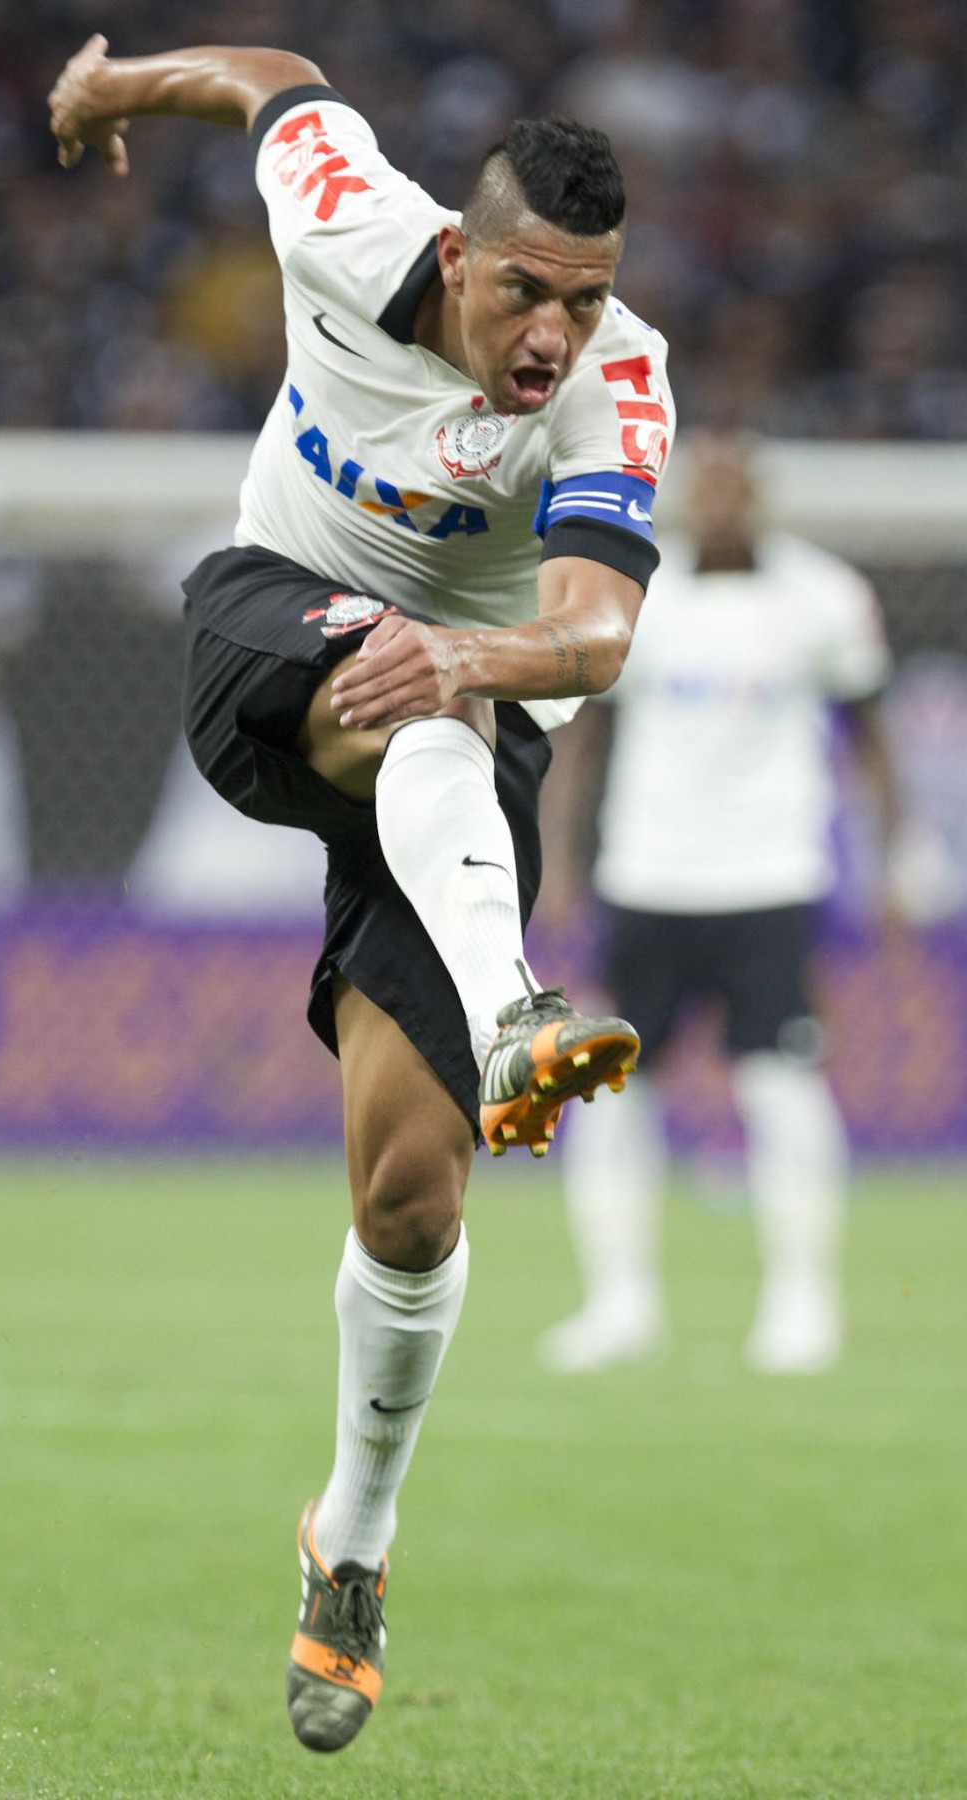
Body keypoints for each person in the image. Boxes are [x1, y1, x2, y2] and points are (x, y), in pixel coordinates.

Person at [48, 36, 673, 1752]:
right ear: (461, 257)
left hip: (462, 740)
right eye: (527, 291)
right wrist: (114, 89)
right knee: (413, 674)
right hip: (270, 632)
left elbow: (599, 636)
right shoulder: (341, 220)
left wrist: (472, 652)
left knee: (411, 1203)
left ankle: (354, 1546)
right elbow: (276, 76)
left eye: (587, 299)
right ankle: (519, 1010)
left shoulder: (626, 384)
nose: (555, 334)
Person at [536, 432, 898, 1379]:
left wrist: (898, 856)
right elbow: (587, 739)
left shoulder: (823, 597)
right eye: (712, 487)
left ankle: (801, 1305)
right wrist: (564, 861)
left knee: (781, 1089)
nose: (725, 503)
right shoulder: (636, 598)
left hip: (769, 878)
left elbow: (869, 735)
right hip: (649, 876)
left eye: (743, 488)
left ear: (763, 499)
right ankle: (618, 1306)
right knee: (613, 1094)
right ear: (690, 498)